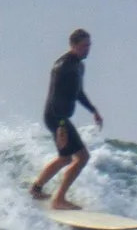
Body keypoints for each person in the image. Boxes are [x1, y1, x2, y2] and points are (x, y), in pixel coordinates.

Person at [30, 28, 103, 210]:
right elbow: (56, 98)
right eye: (83, 46)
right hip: (56, 115)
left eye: (89, 45)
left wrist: (93, 110)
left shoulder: (79, 66)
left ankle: (36, 188)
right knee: (82, 157)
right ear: (73, 46)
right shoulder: (63, 67)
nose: (87, 49)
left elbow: (78, 93)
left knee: (65, 159)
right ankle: (58, 199)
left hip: (59, 117)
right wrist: (61, 126)